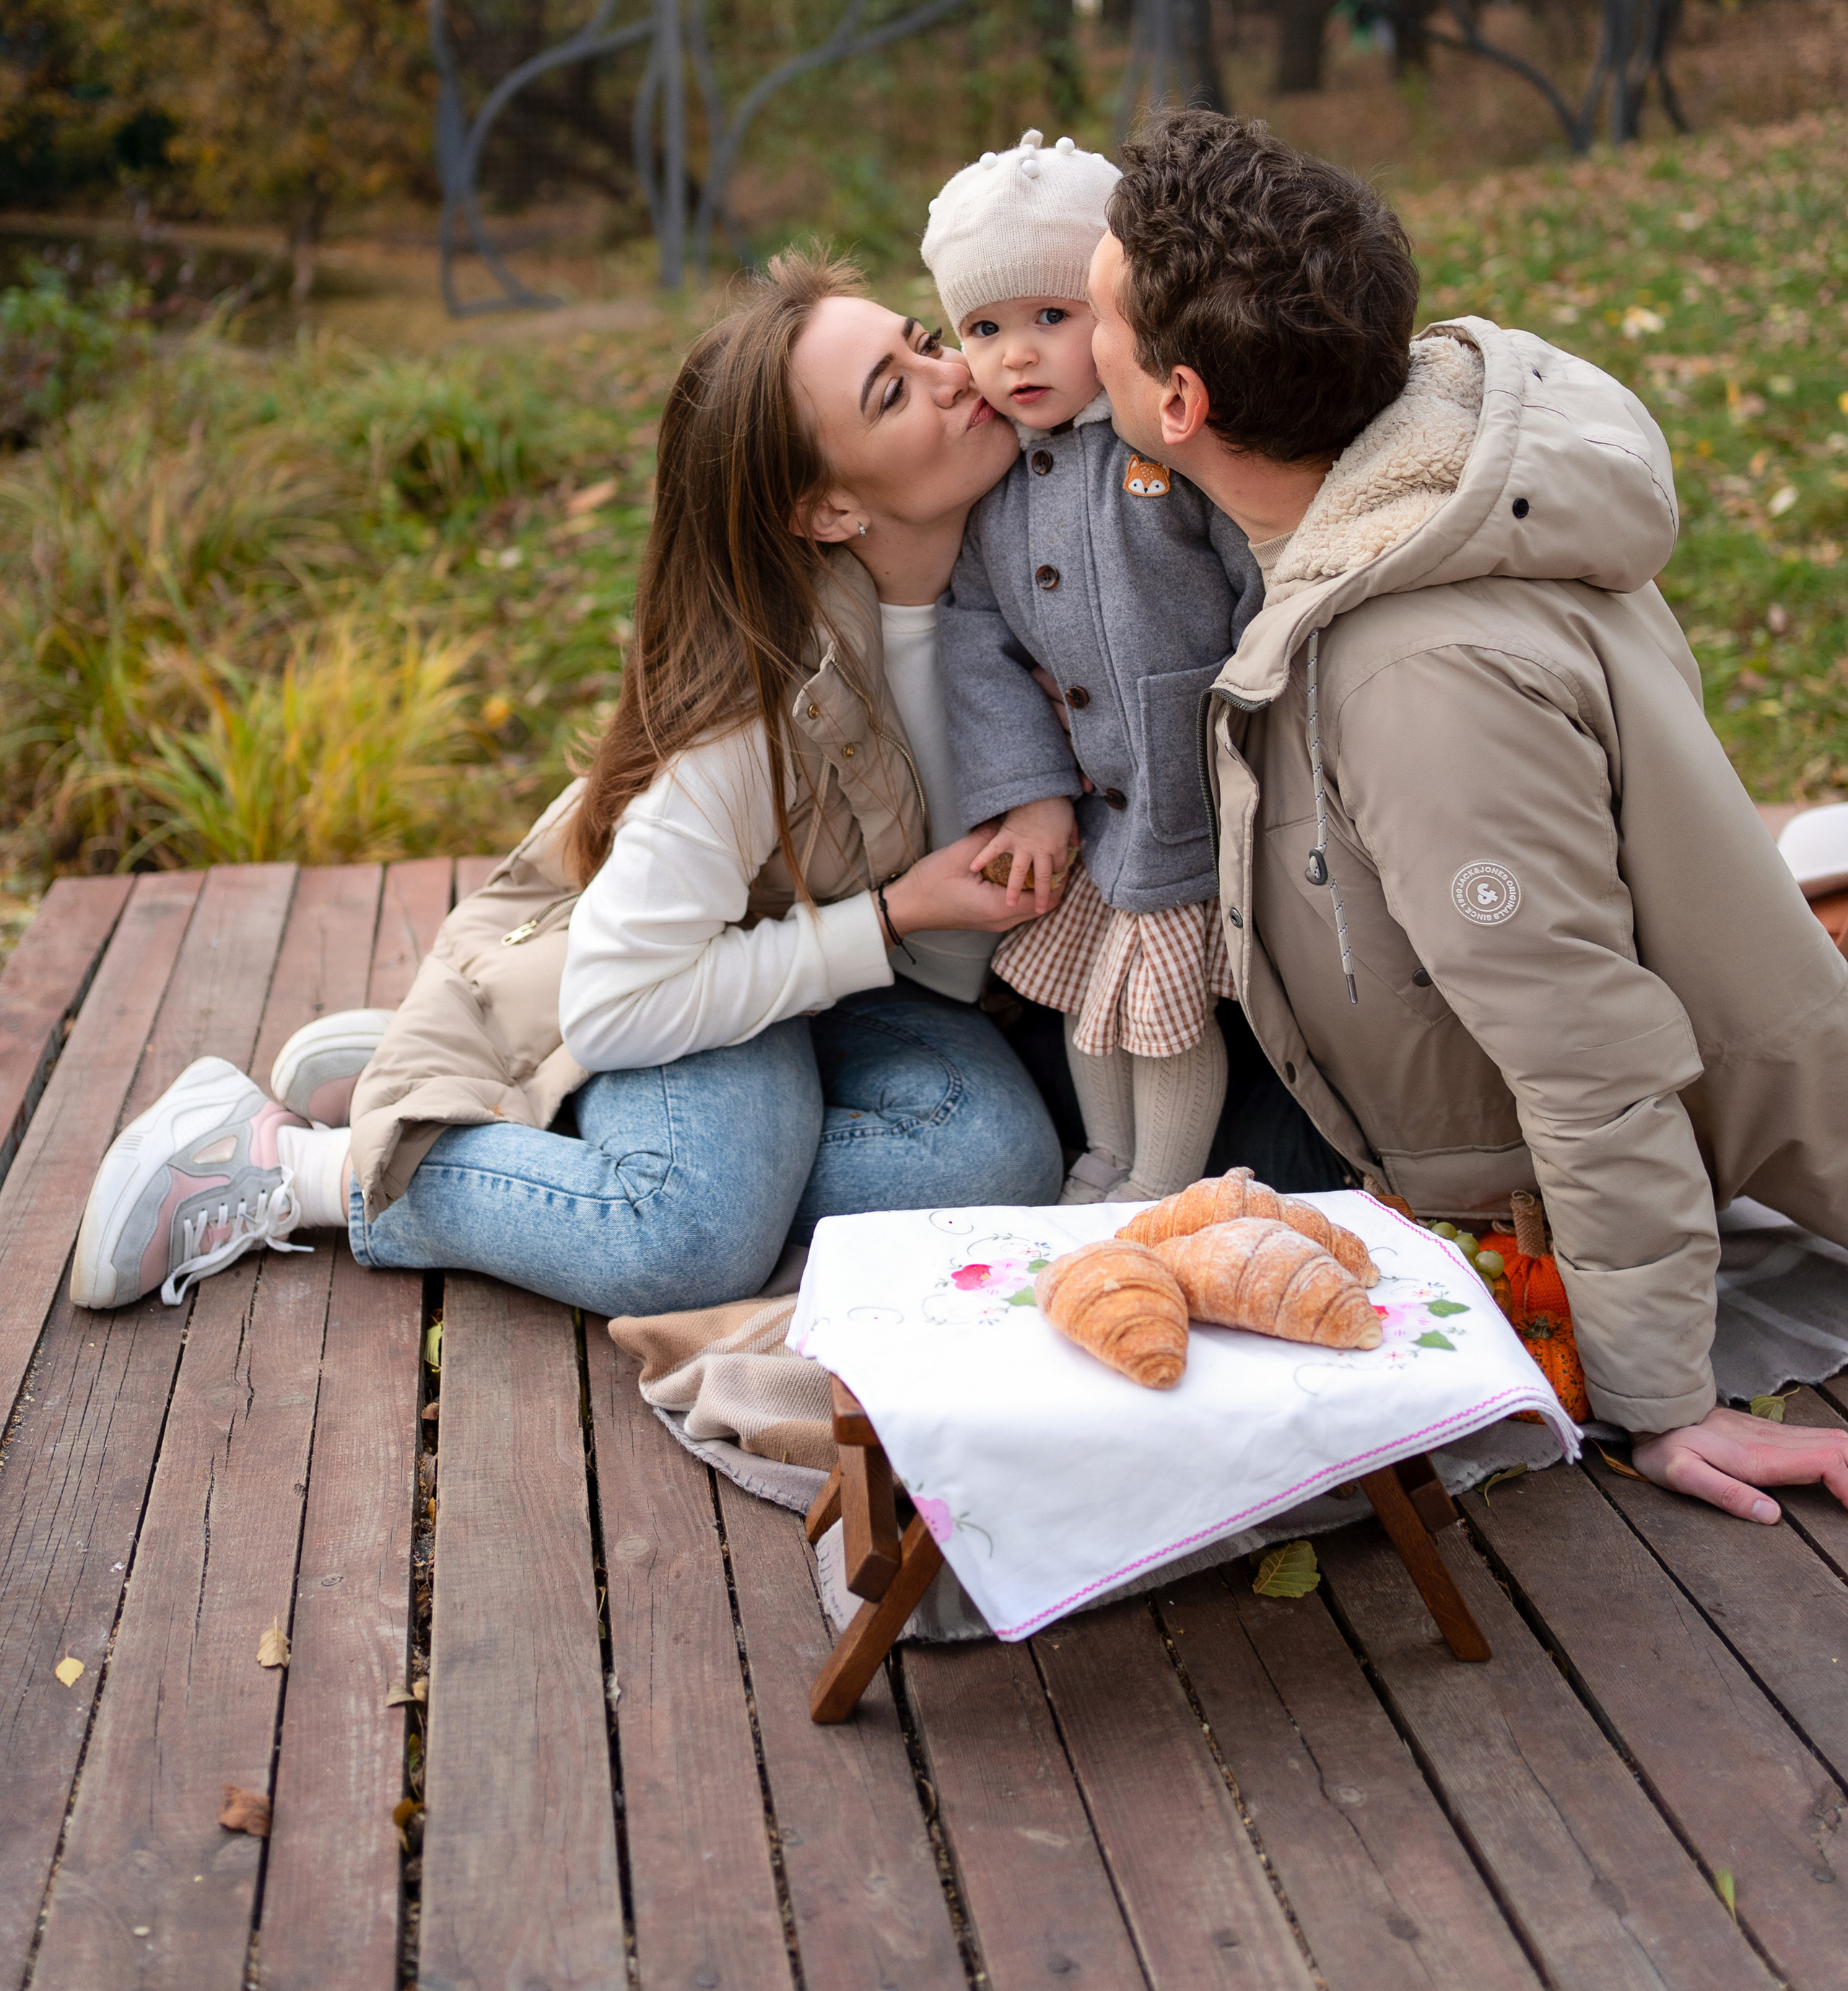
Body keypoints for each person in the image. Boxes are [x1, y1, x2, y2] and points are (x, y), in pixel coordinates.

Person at [1089, 105, 1848, 1524]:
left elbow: (1587, 1049)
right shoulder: (1425, 482)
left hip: (1536, 1202)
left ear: (1180, 402)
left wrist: (1659, 1400)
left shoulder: (1416, 675)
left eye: (1096, 325)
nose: (1078, 353)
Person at [70, 253, 1064, 1322]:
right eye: (893, 392)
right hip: (675, 972)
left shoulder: (1049, 559)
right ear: (827, 509)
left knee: (995, 1159)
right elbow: (621, 1001)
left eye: (924, 342)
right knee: (686, 1233)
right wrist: (896, 916)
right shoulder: (750, 724)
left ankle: (507, 1089)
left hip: (851, 982)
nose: (955, 374)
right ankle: (293, 1163)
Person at [920, 128, 1262, 1201]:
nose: (1016, 357)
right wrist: (1029, 793)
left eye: (1052, 319)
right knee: (1091, 994)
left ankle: (1159, 1188)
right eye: (984, 329)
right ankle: (1102, 1164)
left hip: (1189, 790)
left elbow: (1260, 576)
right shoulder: (995, 487)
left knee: (1162, 1012)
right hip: (1093, 807)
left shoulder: (1163, 444)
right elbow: (975, 641)